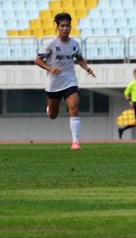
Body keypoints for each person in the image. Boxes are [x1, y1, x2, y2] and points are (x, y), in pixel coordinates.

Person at [35, 12, 95, 150]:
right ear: (57, 27)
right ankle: (49, 109)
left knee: (73, 108)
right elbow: (37, 60)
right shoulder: (50, 44)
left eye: (67, 26)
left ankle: (75, 142)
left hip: (70, 81)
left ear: (71, 27)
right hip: (54, 83)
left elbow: (79, 58)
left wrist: (87, 68)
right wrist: (50, 68)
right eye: (62, 26)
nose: (65, 28)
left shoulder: (74, 44)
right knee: (53, 115)